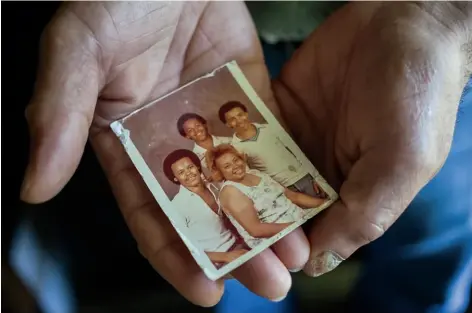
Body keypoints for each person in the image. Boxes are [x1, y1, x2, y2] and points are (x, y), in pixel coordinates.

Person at [19, 1, 472, 312]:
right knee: (244, 282)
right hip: (199, 33)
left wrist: (446, 12)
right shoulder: (215, 178)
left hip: (422, 52)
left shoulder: (244, 159)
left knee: (431, 249)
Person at [206, 144, 326, 249]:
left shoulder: (256, 173)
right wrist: (299, 225)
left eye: (236, 160)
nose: (235, 166)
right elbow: (256, 230)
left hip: (299, 219)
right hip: (280, 238)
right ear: (219, 172)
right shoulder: (230, 191)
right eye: (227, 166)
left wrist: (323, 204)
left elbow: (292, 196)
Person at [218, 101, 326, 198]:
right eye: (232, 119)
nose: (239, 120)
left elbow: (297, 151)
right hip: (284, 191)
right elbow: (250, 175)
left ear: (246, 114)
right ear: (227, 124)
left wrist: (316, 177)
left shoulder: (270, 128)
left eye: (240, 115)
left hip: (306, 178)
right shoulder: (235, 148)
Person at [163, 149, 248, 266]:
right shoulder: (176, 206)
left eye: (190, 167)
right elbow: (182, 250)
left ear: (197, 167)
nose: (189, 173)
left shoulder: (215, 187)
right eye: (181, 172)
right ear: (175, 178)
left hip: (240, 245)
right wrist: (225, 257)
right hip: (219, 262)